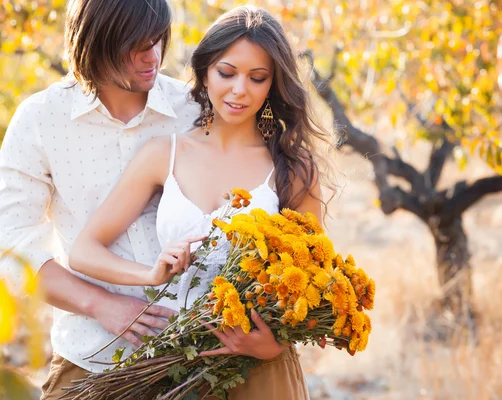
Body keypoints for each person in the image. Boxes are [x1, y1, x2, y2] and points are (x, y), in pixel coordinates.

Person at [69, 5, 336, 399]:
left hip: (260, 372)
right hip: (174, 368)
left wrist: (272, 346)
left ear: (272, 85)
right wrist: (150, 275)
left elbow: (318, 280)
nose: (239, 90)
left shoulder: (293, 169)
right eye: (227, 73)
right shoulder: (165, 153)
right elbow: (83, 251)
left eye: (257, 78)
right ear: (205, 71)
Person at [0, 0, 200, 399]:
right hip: (90, 357)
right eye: (136, 45)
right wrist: (102, 305)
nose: (153, 56)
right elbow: (10, 245)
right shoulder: (40, 119)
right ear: (94, 43)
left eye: (158, 39)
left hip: (197, 359)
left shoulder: (193, 109)